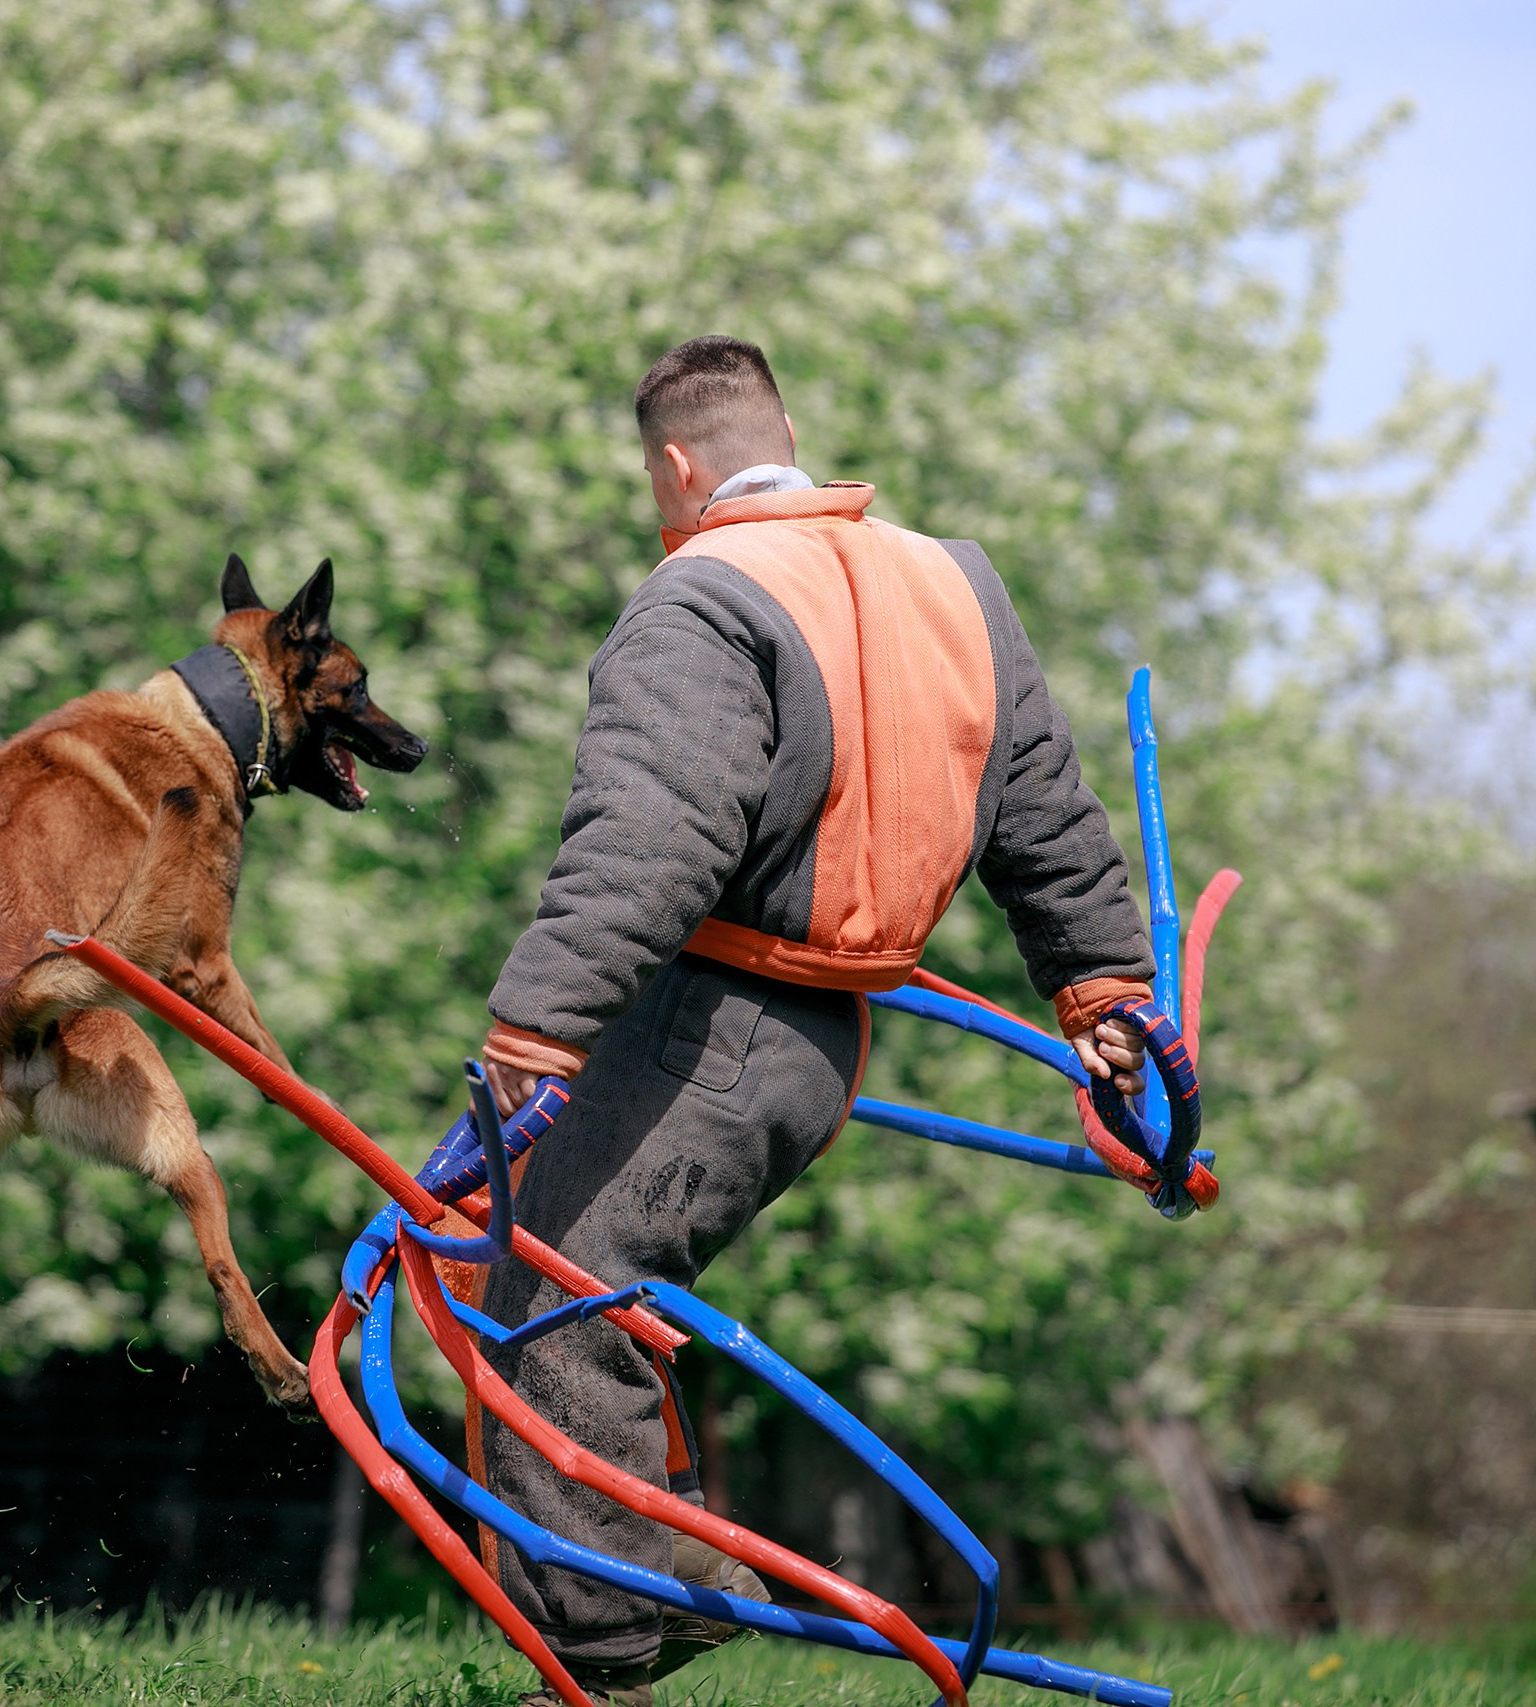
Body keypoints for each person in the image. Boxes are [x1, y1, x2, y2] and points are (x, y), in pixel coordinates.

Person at [475, 335, 1155, 1706]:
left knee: (541, 1296)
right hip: (828, 1048)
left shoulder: (704, 598)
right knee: (593, 1295)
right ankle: (650, 1588)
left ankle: (632, 1623)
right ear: (784, 430)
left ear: (675, 466)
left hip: (710, 1023)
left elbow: (645, 850)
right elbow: (1046, 811)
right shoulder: (949, 579)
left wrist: (532, 1034)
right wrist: (1103, 989)